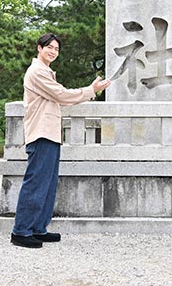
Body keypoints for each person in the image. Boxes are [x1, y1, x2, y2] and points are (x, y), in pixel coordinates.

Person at [11, 32, 110, 248]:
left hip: (51, 133)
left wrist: (87, 92)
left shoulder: (46, 72)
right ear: (39, 48)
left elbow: (59, 99)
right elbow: (61, 95)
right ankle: (21, 231)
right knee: (36, 182)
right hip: (41, 133)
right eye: (49, 47)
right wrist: (90, 90)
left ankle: (38, 228)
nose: (53, 52)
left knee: (47, 184)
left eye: (56, 49)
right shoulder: (37, 72)